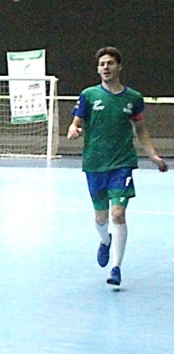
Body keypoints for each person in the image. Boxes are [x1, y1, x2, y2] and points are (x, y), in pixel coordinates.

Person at [67, 46, 168, 286]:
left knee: (118, 213)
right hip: (94, 164)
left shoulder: (133, 98)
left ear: (119, 67)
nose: (106, 68)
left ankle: (116, 267)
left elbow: (141, 129)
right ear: (98, 69)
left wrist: (152, 155)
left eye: (110, 63)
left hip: (122, 164)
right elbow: (76, 121)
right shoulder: (89, 95)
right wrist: (73, 129)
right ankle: (104, 240)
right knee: (101, 218)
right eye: (102, 64)